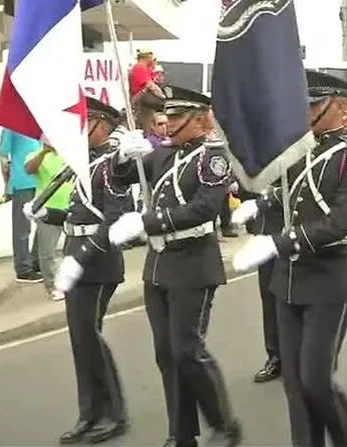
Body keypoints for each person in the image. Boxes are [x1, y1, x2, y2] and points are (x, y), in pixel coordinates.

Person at [232, 70, 347, 447]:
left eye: (312, 105)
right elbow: (285, 193)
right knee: (294, 385)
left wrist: (278, 242)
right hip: (289, 279)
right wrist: (256, 205)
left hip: (329, 277)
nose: (303, 113)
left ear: (339, 107)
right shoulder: (298, 152)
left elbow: (341, 222)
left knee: (316, 380)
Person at [107, 85, 242, 447]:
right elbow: (121, 178)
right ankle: (181, 433)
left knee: (188, 350)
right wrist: (124, 155)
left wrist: (146, 223)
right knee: (167, 355)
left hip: (193, 261)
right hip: (159, 264)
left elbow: (205, 208)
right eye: (168, 117)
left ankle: (224, 423)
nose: (169, 124)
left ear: (199, 119)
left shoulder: (212, 157)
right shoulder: (163, 154)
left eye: (178, 117)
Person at [23, 98, 130, 444]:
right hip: (78, 257)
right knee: (80, 341)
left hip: (97, 263)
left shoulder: (113, 164)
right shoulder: (84, 162)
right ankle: (90, 413)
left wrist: (78, 258)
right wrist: (46, 216)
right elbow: (79, 216)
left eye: (86, 122)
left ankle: (113, 414)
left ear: (101, 125)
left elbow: (112, 221)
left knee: (90, 338)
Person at [237, 183, 284, 383]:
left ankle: (296, 354)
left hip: (290, 228)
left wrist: (264, 201)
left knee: (290, 295)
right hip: (265, 231)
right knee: (269, 295)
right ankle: (275, 356)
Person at [25, 141, 74, 301]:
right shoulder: (35, 154)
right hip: (47, 210)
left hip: (72, 207)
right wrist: (43, 152)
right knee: (47, 253)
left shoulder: (71, 153)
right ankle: (52, 286)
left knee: (73, 249)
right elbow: (28, 169)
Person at [0, 128, 42, 283]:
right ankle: (23, 269)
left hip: (43, 179)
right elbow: (3, 154)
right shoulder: (11, 127)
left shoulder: (39, 122)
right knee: (22, 229)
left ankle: (37, 261)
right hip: (22, 182)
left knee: (45, 222)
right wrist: (7, 184)